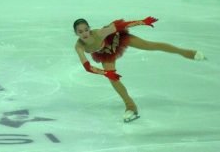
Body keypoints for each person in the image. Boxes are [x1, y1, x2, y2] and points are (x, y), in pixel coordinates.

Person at [74, 17, 205, 123]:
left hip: (116, 39)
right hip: (106, 52)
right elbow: (87, 67)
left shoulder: (100, 33)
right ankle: (130, 106)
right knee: (112, 77)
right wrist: (106, 73)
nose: (84, 33)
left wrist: (143, 22)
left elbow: (123, 25)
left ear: (89, 29)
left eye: (86, 29)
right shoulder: (79, 46)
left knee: (150, 45)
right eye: (80, 32)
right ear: (76, 33)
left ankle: (186, 52)